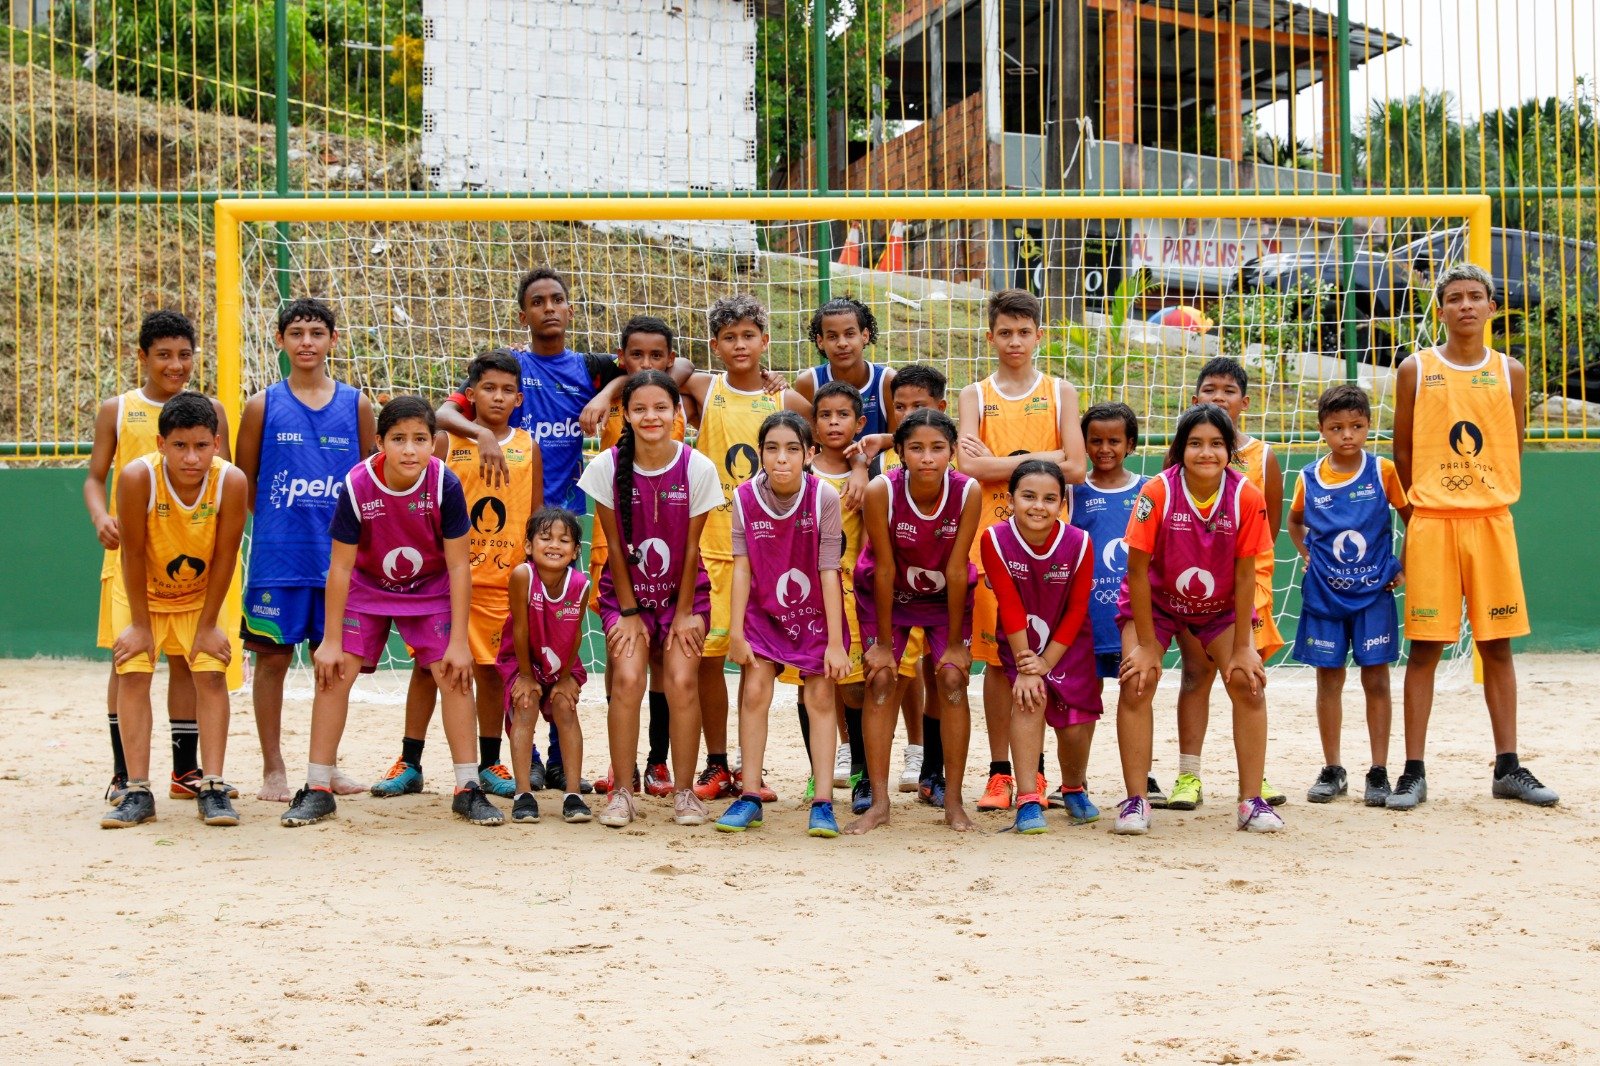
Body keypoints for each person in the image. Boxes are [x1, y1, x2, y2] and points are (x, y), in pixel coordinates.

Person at [436, 267, 626, 792]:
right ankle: (530, 754)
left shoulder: (589, 368)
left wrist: (605, 393)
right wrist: (481, 433)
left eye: (557, 299)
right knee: (516, 652)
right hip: (517, 533)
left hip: (565, 530)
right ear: (523, 315)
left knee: (560, 643)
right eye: (538, 301)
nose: (549, 308)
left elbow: (654, 367)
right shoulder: (510, 368)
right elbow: (445, 412)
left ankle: (562, 754)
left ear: (570, 308)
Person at [280, 397, 498, 827]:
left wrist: (458, 642)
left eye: (419, 439)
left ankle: (468, 788)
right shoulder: (358, 484)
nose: (409, 450)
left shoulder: (445, 484)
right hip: (367, 587)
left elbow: (459, 566)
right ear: (380, 442)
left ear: (434, 443)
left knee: (454, 672)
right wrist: (330, 640)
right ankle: (318, 787)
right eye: (398, 439)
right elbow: (341, 567)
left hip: (430, 588)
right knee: (334, 670)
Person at [1390, 263, 1557, 809]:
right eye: (1456, 297)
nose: (1466, 304)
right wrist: (1420, 513)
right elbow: (1403, 450)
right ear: (1441, 310)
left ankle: (1508, 766)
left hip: (1490, 520)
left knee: (1497, 646)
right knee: (1425, 649)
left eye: (1475, 296)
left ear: (1490, 307)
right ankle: (1413, 771)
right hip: (1433, 522)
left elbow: (1514, 442)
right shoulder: (1416, 368)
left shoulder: (1510, 371)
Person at [371, 350, 543, 801]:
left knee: (490, 673)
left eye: (507, 390)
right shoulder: (447, 443)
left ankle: (489, 762)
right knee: (428, 669)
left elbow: (535, 517)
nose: (498, 397)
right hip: (448, 581)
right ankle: (410, 761)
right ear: (471, 394)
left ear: (519, 399)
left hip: (502, 582)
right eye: (489, 388)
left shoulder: (528, 447)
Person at [1111, 403, 1283, 835]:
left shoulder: (1246, 495)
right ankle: (1135, 801)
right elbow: (1136, 571)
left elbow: (1246, 574)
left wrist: (1242, 647)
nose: (1206, 452)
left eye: (1216, 444)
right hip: (1157, 601)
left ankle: (1251, 802)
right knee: (1137, 680)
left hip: (1219, 607)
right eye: (1196, 444)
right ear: (1180, 449)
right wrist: (1146, 645)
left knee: (1248, 682)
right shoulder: (1157, 492)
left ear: (1229, 451)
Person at [85, 310, 231, 804]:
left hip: (192, 556)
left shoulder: (210, 412)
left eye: (184, 355)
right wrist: (101, 517)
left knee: (193, 663)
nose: (175, 364)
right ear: (142, 357)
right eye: (164, 355)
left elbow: (222, 486)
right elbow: (94, 478)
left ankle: (188, 770)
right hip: (133, 554)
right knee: (130, 659)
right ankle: (125, 774)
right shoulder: (119, 410)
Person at [235, 297, 375, 802]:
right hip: (278, 561)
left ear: (333, 340)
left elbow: (368, 478)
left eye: (317, 333)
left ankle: (326, 764)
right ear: (280, 341)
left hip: (337, 562)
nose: (307, 342)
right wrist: (282, 522)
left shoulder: (356, 405)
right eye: (296, 333)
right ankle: (273, 768)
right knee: (271, 662)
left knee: (332, 665)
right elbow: (245, 482)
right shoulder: (262, 405)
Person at [955, 288, 1085, 813]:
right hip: (993, 538)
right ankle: (999, 773)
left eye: (1024, 332)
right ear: (990, 337)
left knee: (1048, 655)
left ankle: (1039, 770)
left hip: (1053, 546)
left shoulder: (1060, 391)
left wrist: (1004, 463)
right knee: (998, 660)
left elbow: (1077, 468)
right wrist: (1046, 459)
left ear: (1039, 336)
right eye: (1005, 332)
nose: (1014, 341)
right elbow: (969, 468)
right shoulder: (974, 394)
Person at [678, 294, 812, 804]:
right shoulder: (704, 387)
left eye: (749, 336)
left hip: (769, 556)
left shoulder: (785, 400)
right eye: (729, 337)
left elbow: (826, 434)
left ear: (765, 341)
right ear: (715, 345)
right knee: (710, 661)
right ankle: (717, 763)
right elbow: (672, 370)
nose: (740, 345)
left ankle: (750, 765)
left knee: (761, 665)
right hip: (713, 548)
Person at [579, 371, 725, 828]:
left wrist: (684, 614)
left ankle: (685, 792)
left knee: (682, 681)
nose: (651, 417)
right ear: (625, 414)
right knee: (626, 679)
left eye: (661, 407)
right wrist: (627, 613)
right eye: (639, 408)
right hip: (627, 596)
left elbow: (691, 551)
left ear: (676, 412)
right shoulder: (606, 467)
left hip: (685, 594)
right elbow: (614, 548)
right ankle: (622, 791)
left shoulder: (697, 467)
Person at [100, 392, 247, 828]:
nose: (191, 457)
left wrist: (208, 626)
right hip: (141, 593)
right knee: (133, 673)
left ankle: (212, 786)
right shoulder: (137, 477)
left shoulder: (230, 481)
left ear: (216, 444)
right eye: (180, 446)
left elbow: (226, 556)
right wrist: (140, 626)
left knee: (211, 674)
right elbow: (132, 553)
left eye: (201, 445)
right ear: (160, 444)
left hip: (202, 596)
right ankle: (137, 791)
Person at [846, 409, 981, 835]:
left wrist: (956, 644)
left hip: (944, 595)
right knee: (881, 679)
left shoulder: (968, 490)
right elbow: (884, 569)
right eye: (917, 448)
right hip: (889, 592)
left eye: (937, 448)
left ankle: (953, 802)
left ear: (952, 452)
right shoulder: (881, 490)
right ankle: (879, 803)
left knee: (953, 679)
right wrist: (884, 645)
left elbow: (957, 569)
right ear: (900, 452)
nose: (927, 457)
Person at [718, 411, 852, 837]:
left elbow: (829, 570)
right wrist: (736, 631)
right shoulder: (744, 497)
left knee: (821, 696)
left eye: (792, 449)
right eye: (772, 448)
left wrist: (835, 642)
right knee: (755, 690)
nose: (781, 458)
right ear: (759, 453)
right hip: (762, 613)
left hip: (815, 613)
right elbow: (742, 567)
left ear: (809, 454)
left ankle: (823, 802)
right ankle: (750, 796)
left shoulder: (824, 496)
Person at [1164, 357, 1286, 812]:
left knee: (1247, 677)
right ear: (1195, 398)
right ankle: (1188, 775)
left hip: (1247, 583)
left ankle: (1254, 774)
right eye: (1210, 389)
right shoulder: (1180, 457)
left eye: (1229, 390)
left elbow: (1269, 532)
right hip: (1194, 584)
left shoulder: (1263, 458)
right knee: (1195, 674)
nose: (1219, 397)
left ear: (1244, 402)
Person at [1288, 385, 1410, 806]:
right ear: (1322, 430)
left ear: (1368, 427)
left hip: (1373, 594)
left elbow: (1412, 518)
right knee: (1329, 678)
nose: (1347, 435)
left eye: (1356, 426)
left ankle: (1378, 770)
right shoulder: (1308, 477)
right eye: (1337, 427)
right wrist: (1308, 556)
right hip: (1325, 595)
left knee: (1376, 678)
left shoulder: (1382, 471)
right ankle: (1333, 768)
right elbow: (1295, 522)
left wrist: (1402, 565)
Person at [588, 316, 688, 799]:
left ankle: (657, 760)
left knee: (666, 661)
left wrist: (616, 386)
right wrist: (610, 390)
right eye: (635, 355)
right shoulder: (607, 405)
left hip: (669, 547)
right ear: (620, 357)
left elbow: (688, 371)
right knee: (622, 655)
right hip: (617, 549)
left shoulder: (678, 397)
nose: (646, 362)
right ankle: (620, 764)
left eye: (656, 355)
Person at [980, 460, 1101, 833]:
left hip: (1068, 644)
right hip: (1021, 642)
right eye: (1028, 496)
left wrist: (1048, 660)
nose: (1038, 506)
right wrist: (1028, 667)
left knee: (1075, 727)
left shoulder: (1079, 542)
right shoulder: (994, 539)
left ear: (1062, 503)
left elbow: (1077, 609)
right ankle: (1028, 799)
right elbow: (1009, 604)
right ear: (1011, 499)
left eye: (1049, 499)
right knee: (1028, 701)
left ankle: (1074, 787)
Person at [1069, 402, 1157, 807]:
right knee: (1084, 699)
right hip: (1086, 617)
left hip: (1133, 618)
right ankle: (1076, 782)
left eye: (1114, 441)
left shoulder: (1150, 490)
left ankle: (1142, 779)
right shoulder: (1073, 491)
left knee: (1137, 692)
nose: (1104, 449)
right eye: (1096, 440)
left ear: (1131, 444)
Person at [498, 507, 590, 824]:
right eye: (545, 537)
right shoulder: (522, 576)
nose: (554, 545)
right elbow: (520, 629)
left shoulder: (580, 584)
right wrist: (525, 675)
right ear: (528, 545)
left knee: (565, 706)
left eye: (564, 540)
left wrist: (564, 678)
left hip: (561, 660)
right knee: (526, 704)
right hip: (522, 658)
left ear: (575, 551)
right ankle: (523, 793)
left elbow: (576, 633)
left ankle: (573, 794)